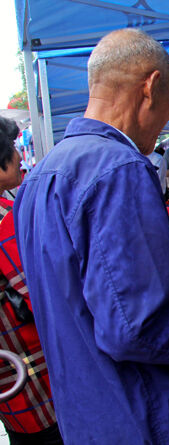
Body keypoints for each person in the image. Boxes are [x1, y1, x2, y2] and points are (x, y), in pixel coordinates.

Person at [14, 28, 169, 444]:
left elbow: (88, 301)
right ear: (152, 86)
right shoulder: (119, 169)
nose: (167, 124)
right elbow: (140, 328)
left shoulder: (39, 178)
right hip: (148, 418)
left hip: (89, 416)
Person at [0, 117, 64, 445]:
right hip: (37, 381)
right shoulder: (6, 219)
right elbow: (45, 292)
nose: (19, 156)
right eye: (12, 149)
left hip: (12, 386)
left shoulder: (10, 208)